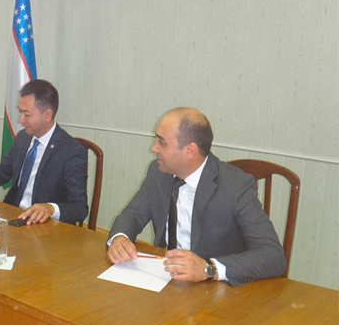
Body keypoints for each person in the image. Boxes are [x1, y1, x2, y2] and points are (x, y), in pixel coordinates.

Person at [107, 107, 286, 286]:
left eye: (162, 142)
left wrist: (209, 269)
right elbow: (133, 215)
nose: (153, 148)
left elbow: (273, 255)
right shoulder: (158, 172)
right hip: (164, 280)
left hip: (215, 289)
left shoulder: (235, 186)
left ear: (189, 151)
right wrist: (119, 238)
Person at [0, 79, 88, 226]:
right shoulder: (23, 138)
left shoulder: (71, 151)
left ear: (47, 115)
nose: (21, 120)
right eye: (20, 112)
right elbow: (3, 172)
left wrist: (50, 208)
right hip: (15, 216)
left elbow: (80, 208)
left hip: (46, 225)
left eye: (27, 115)